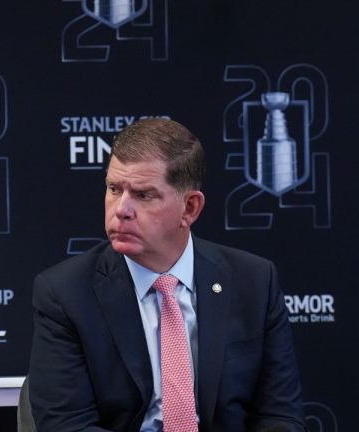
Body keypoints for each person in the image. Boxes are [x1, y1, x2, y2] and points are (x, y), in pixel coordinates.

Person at [28, 118, 305, 432]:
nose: (121, 210)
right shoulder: (65, 293)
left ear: (190, 208)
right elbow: (67, 425)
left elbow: (280, 415)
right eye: (114, 189)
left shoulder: (254, 282)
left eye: (144, 195)